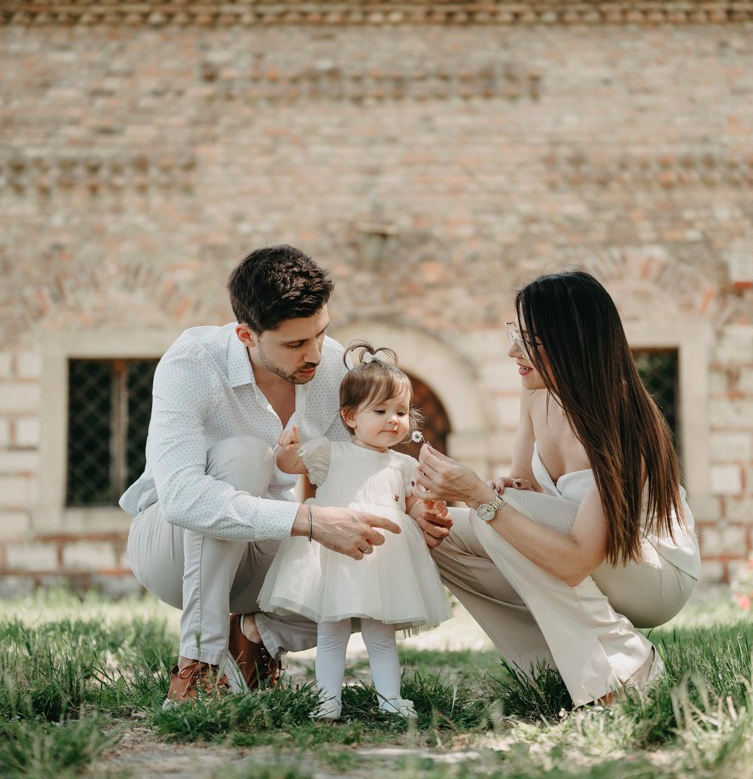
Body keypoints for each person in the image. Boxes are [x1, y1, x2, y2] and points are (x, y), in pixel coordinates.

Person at [120, 246, 402, 707]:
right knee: (244, 457)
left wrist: (408, 509)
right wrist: (310, 522)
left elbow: (355, 472)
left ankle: (256, 636)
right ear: (246, 335)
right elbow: (182, 498)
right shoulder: (193, 362)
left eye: (320, 334)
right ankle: (199, 664)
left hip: (267, 552)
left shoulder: (333, 368)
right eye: (294, 345)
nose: (314, 354)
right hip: (172, 549)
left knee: (389, 552)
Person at [415, 270, 701, 708]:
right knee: (436, 533)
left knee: (496, 515)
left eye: (529, 340)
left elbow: (575, 561)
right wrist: (505, 489)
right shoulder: (537, 394)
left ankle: (629, 668)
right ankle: (558, 668)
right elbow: (522, 488)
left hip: (652, 572)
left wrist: (484, 497)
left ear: (571, 341)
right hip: (592, 555)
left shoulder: (620, 416)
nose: (513, 350)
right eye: (515, 334)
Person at [258, 343, 452, 720]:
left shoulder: (403, 465)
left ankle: (390, 698)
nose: (393, 420)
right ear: (350, 417)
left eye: (400, 412)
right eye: (380, 411)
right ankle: (327, 699)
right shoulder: (332, 452)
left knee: (381, 635)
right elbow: (291, 464)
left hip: (384, 556)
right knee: (333, 632)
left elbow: (409, 504)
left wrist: (425, 508)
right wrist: (287, 448)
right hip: (338, 554)